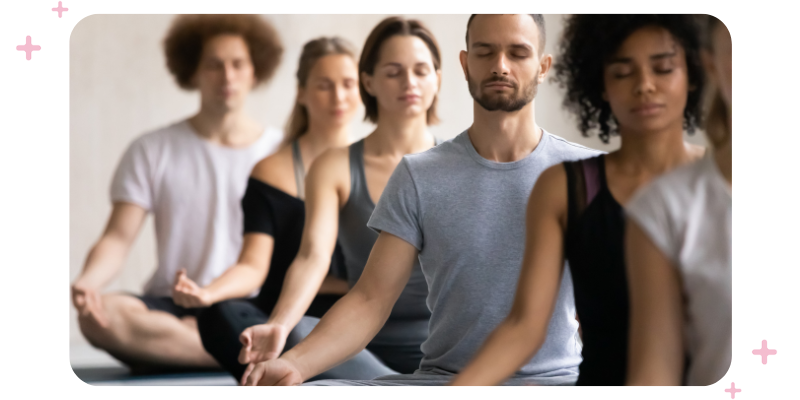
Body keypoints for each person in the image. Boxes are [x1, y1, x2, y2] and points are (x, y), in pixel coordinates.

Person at [241, 14, 598, 386]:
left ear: (543, 66)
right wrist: (295, 365)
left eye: (518, 53)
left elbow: (611, 305)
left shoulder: (585, 172)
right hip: (442, 380)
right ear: (465, 64)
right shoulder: (418, 175)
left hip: (552, 381)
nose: (500, 66)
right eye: (485, 52)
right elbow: (370, 299)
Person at [450, 14, 707, 386]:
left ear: (693, 74)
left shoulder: (727, 181)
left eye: (663, 69)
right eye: (622, 72)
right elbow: (524, 326)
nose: (645, 86)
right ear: (600, 84)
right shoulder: (565, 187)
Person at [70, 14, 284, 371]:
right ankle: (235, 353)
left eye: (238, 64)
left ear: (255, 70)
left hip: (248, 303)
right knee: (100, 316)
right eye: (214, 65)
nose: (227, 76)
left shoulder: (281, 152)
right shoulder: (152, 149)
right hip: (172, 304)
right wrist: (89, 281)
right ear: (193, 72)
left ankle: (194, 347)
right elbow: (118, 238)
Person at [236, 17, 441, 383]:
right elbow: (312, 256)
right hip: (356, 345)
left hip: (444, 346)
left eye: (421, 71)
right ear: (368, 82)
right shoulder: (335, 166)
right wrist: (279, 323)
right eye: (393, 72)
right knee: (299, 332)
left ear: (437, 78)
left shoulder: (460, 163)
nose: (409, 82)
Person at [169, 36, 365, 380]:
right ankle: (296, 366)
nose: (338, 97)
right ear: (301, 93)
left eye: (348, 84)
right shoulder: (271, 170)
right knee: (221, 315)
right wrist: (207, 293)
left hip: (353, 316)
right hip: (283, 315)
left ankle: (297, 369)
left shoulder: (378, 168)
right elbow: (252, 265)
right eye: (324, 85)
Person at [625, 15, 732, 386]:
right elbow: (655, 373)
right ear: (712, 65)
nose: (645, 86)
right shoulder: (662, 207)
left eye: (663, 68)